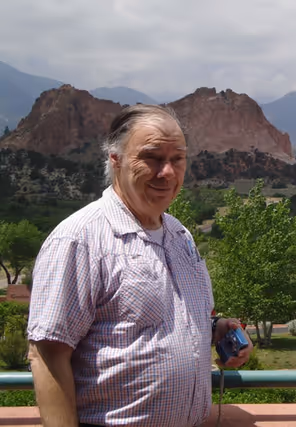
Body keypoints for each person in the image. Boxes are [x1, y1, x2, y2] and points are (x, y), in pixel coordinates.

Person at [27, 104, 253, 427]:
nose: (168, 173)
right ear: (115, 160)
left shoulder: (180, 235)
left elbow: (157, 322)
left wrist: (214, 329)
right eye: (152, 157)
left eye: (177, 159)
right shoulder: (79, 239)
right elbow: (47, 354)